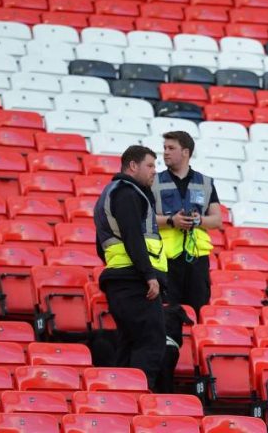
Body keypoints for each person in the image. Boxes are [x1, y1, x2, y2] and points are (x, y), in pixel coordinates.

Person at [94, 145, 168, 391]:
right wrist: (148, 275)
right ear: (132, 166)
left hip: (121, 279)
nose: (154, 172)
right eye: (150, 165)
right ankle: (140, 398)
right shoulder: (127, 193)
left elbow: (101, 246)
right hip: (135, 280)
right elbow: (133, 236)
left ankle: (121, 400)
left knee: (128, 345)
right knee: (151, 342)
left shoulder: (110, 193)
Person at [152, 131, 222, 316]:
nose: (165, 152)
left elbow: (217, 219)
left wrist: (198, 220)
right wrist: (171, 221)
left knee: (198, 311)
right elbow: (144, 218)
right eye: (164, 148)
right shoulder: (153, 181)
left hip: (196, 259)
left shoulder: (206, 182)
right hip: (165, 258)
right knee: (166, 312)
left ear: (185, 152)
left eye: (171, 148)